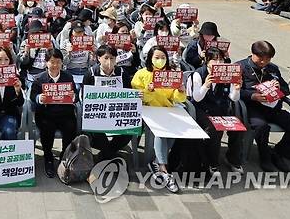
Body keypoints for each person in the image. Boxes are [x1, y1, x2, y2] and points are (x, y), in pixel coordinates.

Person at [236, 41, 290, 172]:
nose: (264, 62)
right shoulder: (240, 67)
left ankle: (278, 153)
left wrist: (279, 87)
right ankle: (265, 157)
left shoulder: (273, 69)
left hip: (273, 108)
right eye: (260, 58)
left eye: (267, 59)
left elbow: (286, 89)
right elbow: (233, 92)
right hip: (252, 109)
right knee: (261, 126)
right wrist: (252, 96)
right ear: (253, 54)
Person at [131, 46, 186, 193]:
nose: (160, 60)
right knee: (161, 131)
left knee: (176, 129)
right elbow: (138, 98)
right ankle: (163, 169)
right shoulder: (141, 74)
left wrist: (180, 91)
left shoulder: (171, 75)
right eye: (156, 57)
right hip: (146, 111)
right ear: (150, 58)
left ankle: (156, 162)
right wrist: (148, 91)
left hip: (166, 110)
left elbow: (176, 98)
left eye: (163, 57)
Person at [187, 47, 244, 176]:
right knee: (213, 129)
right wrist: (206, 85)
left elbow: (234, 98)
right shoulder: (198, 74)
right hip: (202, 110)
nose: (218, 63)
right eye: (214, 59)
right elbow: (196, 97)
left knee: (238, 128)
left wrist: (236, 88)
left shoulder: (227, 75)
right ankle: (212, 163)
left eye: (220, 59)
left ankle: (233, 159)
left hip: (221, 109)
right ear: (207, 60)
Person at [30, 48, 79, 178]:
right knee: (47, 129)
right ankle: (48, 157)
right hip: (46, 114)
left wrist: (73, 96)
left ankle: (65, 155)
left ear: (62, 63)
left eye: (58, 62)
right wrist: (39, 98)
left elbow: (76, 97)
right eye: (52, 62)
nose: (55, 65)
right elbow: (32, 96)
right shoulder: (39, 79)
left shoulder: (68, 77)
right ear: (46, 63)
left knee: (70, 126)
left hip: (64, 113)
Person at [82, 45, 136, 161]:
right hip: (97, 116)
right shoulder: (90, 74)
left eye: (112, 58)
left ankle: (106, 155)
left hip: (118, 115)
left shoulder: (122, 73)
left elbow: (129, 94)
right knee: (95, 134)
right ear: (98, 58)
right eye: (106, 58)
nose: (109, 61)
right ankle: (110, 156)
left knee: (129, 132)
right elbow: (84, 97)